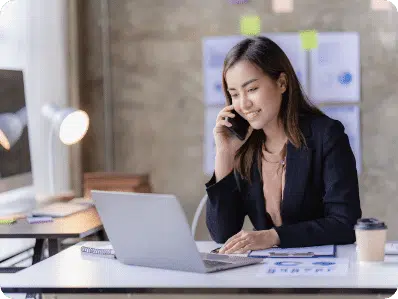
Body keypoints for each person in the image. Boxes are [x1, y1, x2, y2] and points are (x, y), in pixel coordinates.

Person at [205, 36, 362, 254]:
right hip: (266, 276)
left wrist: (273, 236)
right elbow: (222, 233)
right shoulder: (245, 147)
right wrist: (224, 154)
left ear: (282, 83)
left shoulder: (326, 135)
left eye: (251, 89)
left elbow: (345, 224)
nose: (243, 103)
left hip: (322, 272)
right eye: (234, 94)